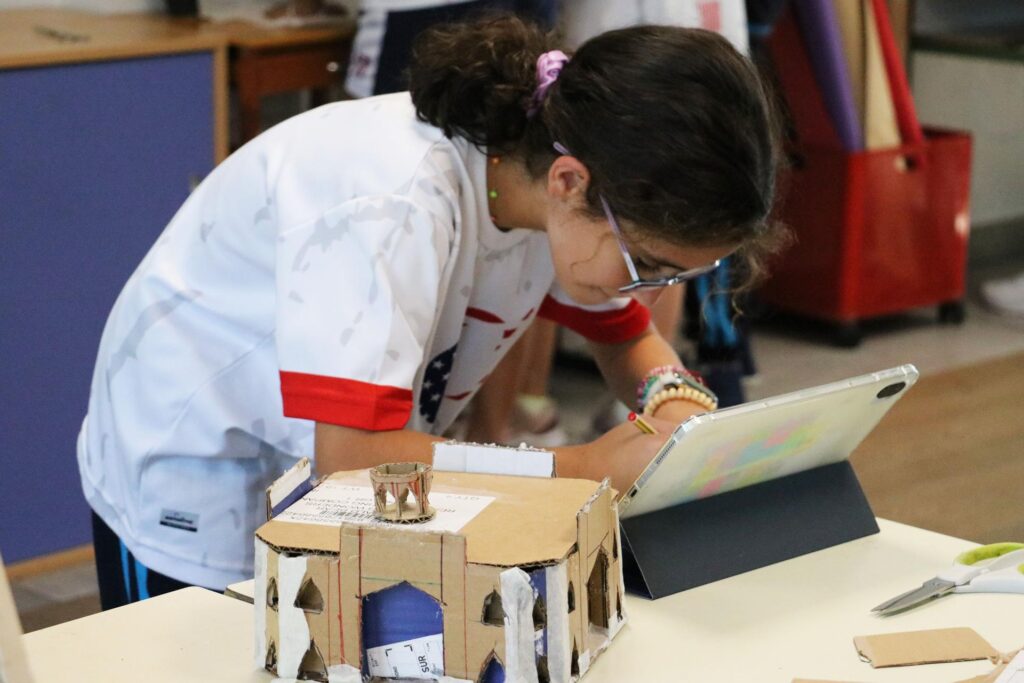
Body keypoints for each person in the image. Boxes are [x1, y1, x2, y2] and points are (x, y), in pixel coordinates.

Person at [78, 14, 784, 608]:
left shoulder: (545, 188)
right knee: (204, 650)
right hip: (198, 459)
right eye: (647, 267)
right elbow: (352, 460)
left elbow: (626, 340)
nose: (649, 292)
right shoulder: (393, 205)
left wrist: (674, 403)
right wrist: (584, 466)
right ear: (572, 183)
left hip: (338, 459)